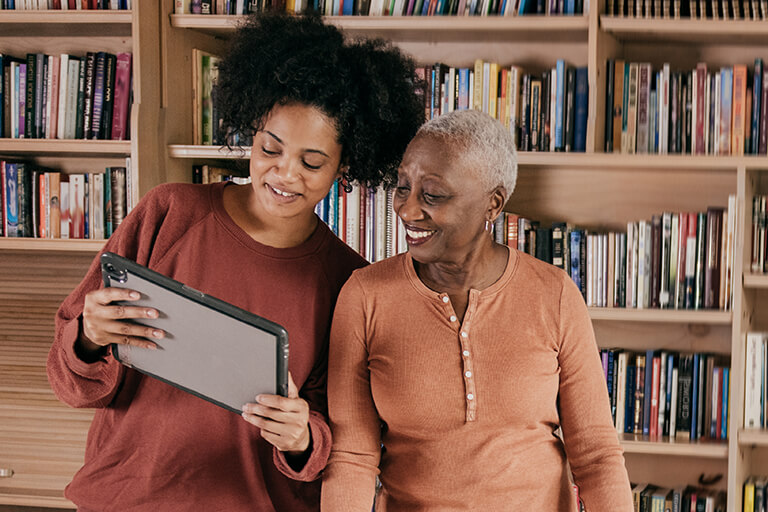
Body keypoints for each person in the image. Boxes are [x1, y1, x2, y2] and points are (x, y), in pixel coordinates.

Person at [47, 12, 424, 512]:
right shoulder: (171, 212)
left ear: (344, 164)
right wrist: (90, 337)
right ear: (251, 131)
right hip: (125, 497)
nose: (285, 174)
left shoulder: (345, 280)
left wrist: (300, 435)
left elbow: (333, 440)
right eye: (271, 147)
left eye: (312, 162)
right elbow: (68, 379)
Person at [322, 109, 634, 511]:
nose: (407, 209)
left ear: (493, 204)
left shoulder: (553, 294)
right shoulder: (365, 296)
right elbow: (352, 458)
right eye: (403, 187)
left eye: (432, 195)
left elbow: (596, 456)